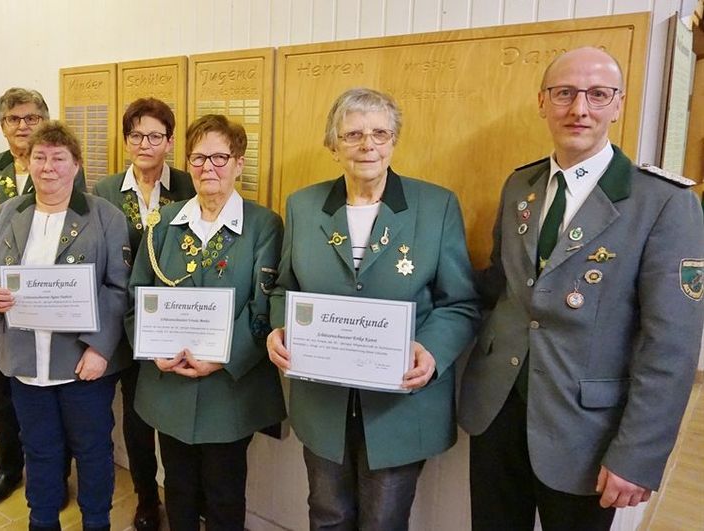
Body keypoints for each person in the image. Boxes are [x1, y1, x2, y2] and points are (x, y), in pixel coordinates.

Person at [458, 46, 704, 530]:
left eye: (598, 94)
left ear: (618, 103)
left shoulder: (663, 203)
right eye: (565, 93)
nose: (579, 108)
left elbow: (670, 345)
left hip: (585, 431)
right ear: (542, 102)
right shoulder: (519, 187)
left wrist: (638, 454)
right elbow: (501, 287)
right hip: (497, 411)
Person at [266, 88, 480, 530]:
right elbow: (284, 291)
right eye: (354, 134)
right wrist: (278, 329)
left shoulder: (436, 206)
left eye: (380, 133)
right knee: (327, 516)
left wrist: (433, 350)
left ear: (394, 141)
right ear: (333, 145)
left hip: (400, 403)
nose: (368, 145)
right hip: (324, 400)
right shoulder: (304, 206)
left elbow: (459, 302)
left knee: (384, 521)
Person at [127, 114, 285, 531]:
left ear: (239, 162)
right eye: (198, 158)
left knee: (224, 490)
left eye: (220, 156)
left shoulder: (264, 225)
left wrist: (222, 359)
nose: (208, 167)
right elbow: (136, 297)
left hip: (230, 388)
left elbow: (263, 308)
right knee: (176, 485)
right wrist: (151, 348)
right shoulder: (162, 222)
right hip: (169, 383)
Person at [0, 120, 130, 531]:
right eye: (39, 157)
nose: (48, 167)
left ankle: (96, 523)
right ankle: (41, 521)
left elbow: (118, 287)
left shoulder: (105, 217)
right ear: (28, 161)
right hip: (25, 361)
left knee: (93, 451)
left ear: (76, 165)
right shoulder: (6, 214)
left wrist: (100, 348)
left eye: (59, 158)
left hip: (82, 363)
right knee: (39, 450)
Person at [0, 87, 87, 504]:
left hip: (55, 306)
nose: (23, 126)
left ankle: (53, 474)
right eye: (14, 119)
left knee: (52, 392)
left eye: (31, 118)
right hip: (2, 305)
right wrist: (0, 283)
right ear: (2, 126)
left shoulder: (63, 164)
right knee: (2, 389)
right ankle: (10, 465)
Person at [92, 97, 196, 530]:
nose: (145, 144)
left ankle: (187, 498)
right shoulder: (104, 191)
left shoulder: (189, 186)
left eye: (155, 135)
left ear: (170, 142)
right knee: (136, 420)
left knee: (174, 417)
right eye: (136, 135)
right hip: (124, 323)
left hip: (176, 322)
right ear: (126, 141)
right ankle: (147, 500)